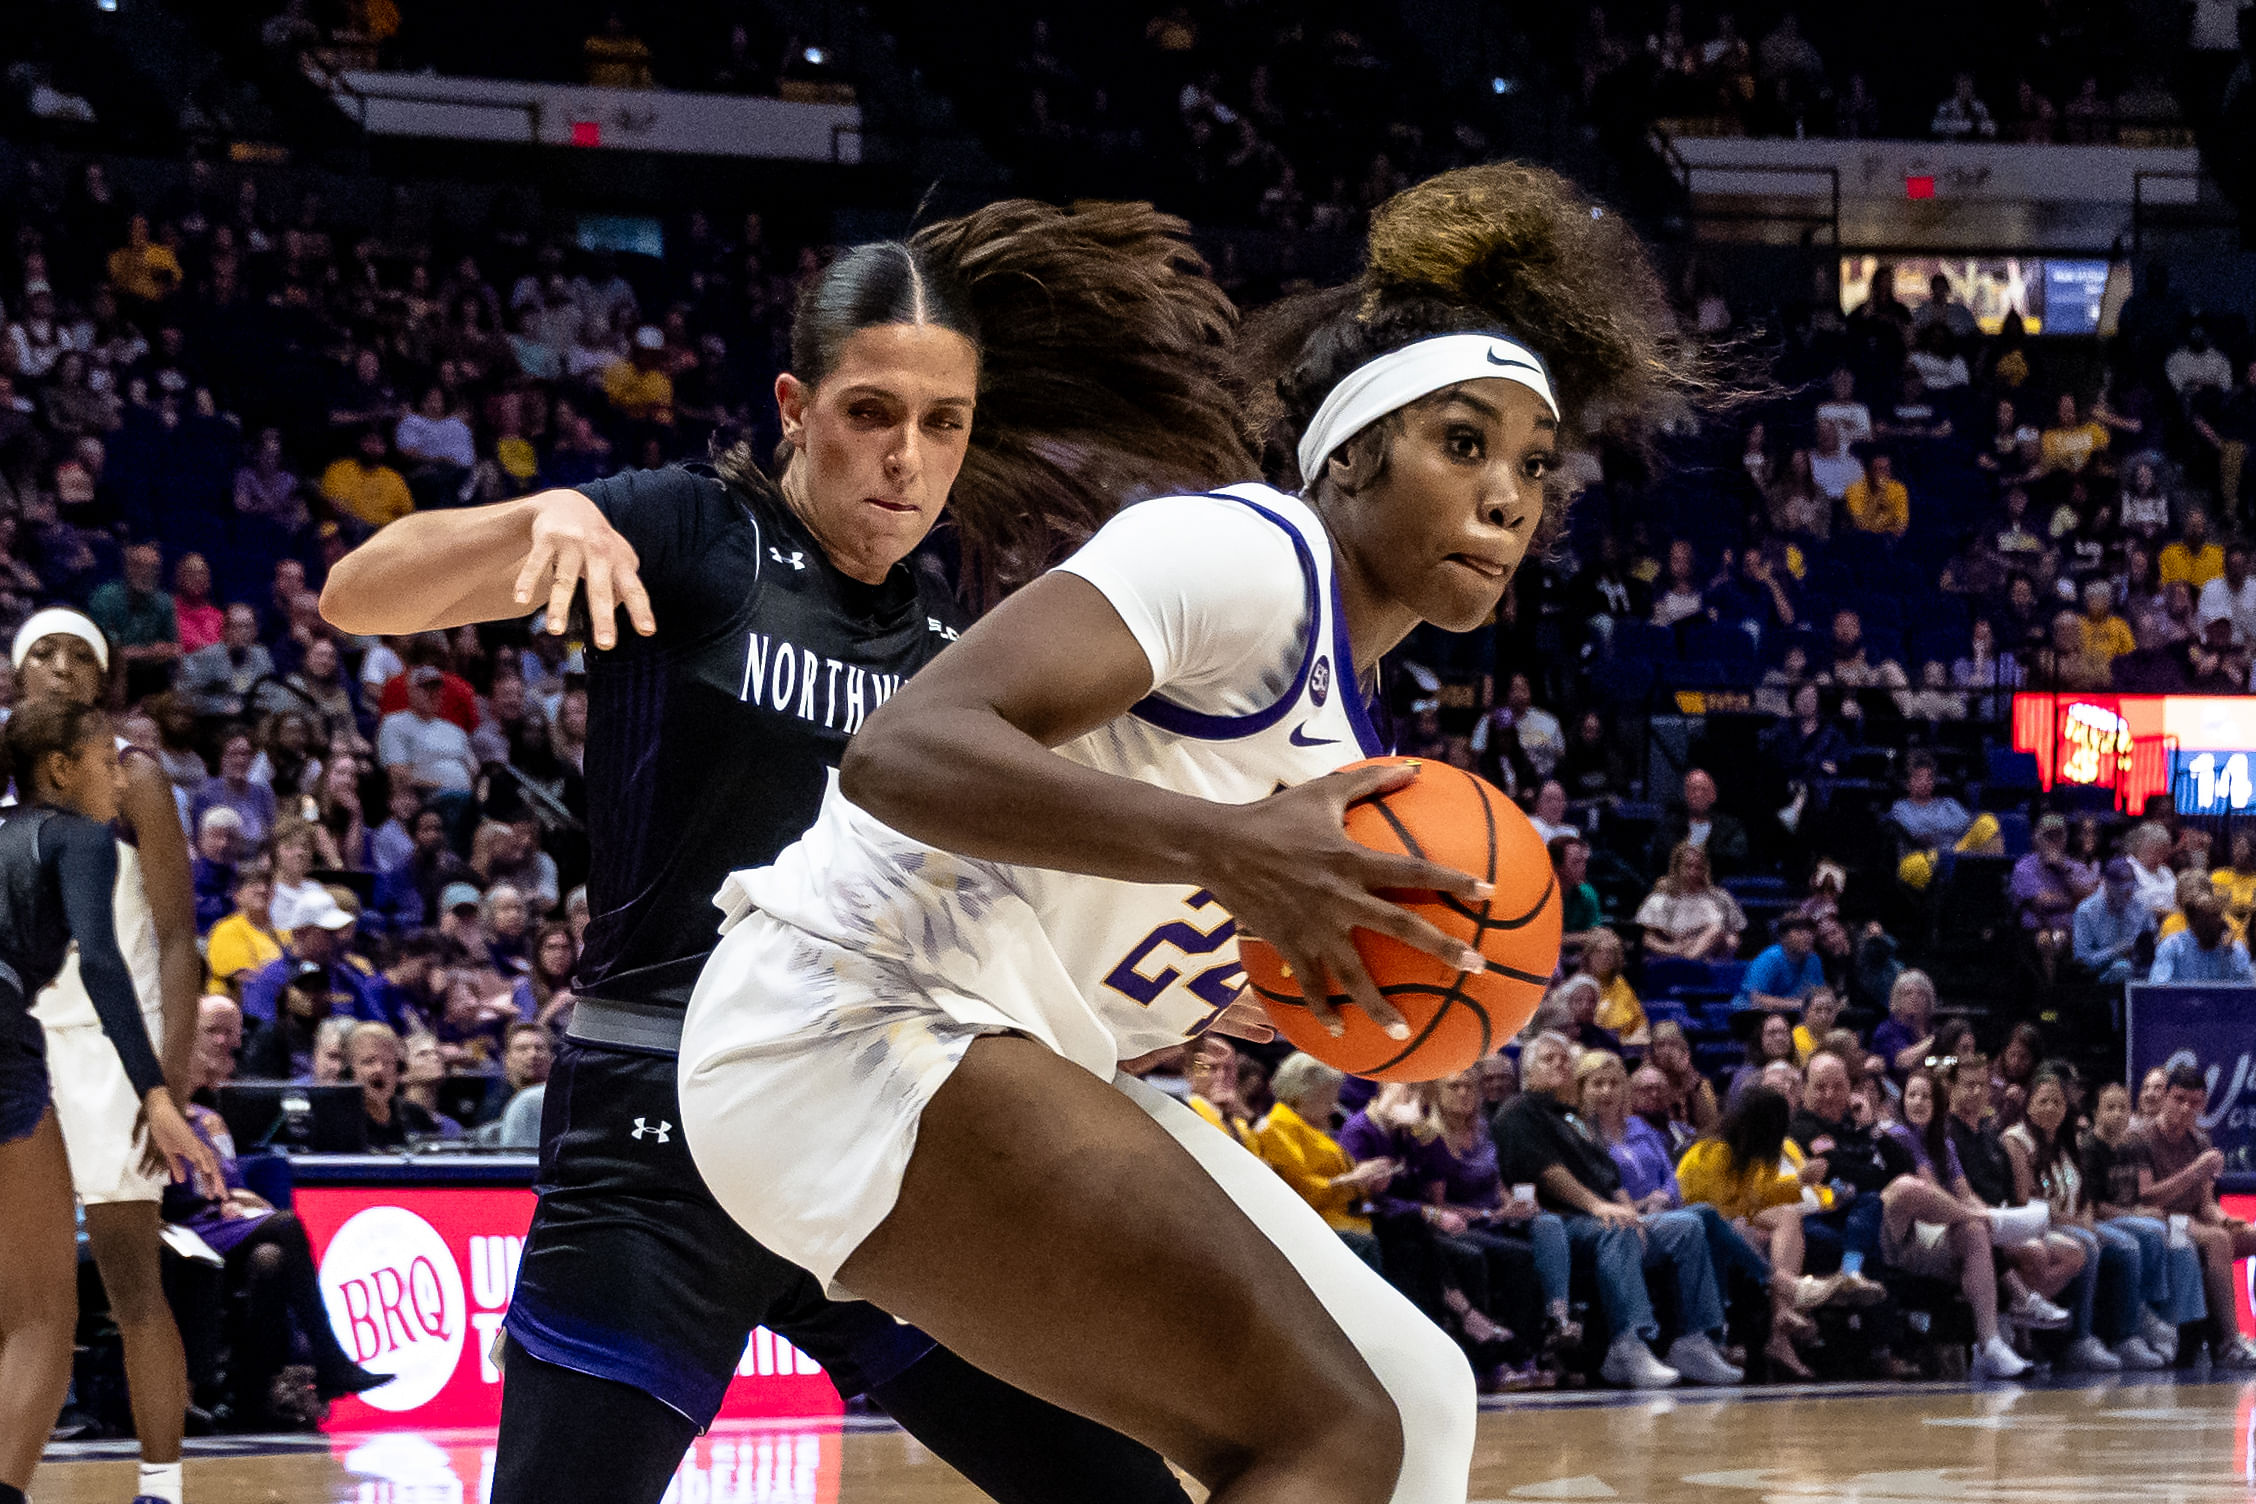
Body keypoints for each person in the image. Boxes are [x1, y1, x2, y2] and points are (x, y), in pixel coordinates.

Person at [672, 163, 1702, 1489]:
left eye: (1534, 467)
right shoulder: (1248, 556)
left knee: (1419, 1395)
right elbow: (903, 753)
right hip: (845, 1016)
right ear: (1351, 455)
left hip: (989, 1045)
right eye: (1463, 443)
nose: (1510, 496)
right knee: (1331, 1430)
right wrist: (1225, 855)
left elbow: (1109, 951)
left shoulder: (1354, 748)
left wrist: (1253, 1003)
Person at [323, 201, 1255, 1504]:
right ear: (796, 407)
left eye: (945, 424)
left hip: (873, 1144)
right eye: (871, 411)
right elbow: (359, 592)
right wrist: (542, 520)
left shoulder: (953, 641)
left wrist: (1205, 962)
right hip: (661, 1145)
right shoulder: (693, 531)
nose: (907, 458)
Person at [0, 697, 219, 1504]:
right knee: (41, 1321)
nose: (117, 781)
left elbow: (163, 940)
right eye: (101, 763)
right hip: (29, 1040)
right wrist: (157, 1091)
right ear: (61, 765)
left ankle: (160, 1480)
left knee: (88, 1295)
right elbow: (102, 965)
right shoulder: (82, 839)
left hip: (59, 1051)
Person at [1496, 1033, 1740, 1387]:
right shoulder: (1518, 1111)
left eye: (1565, 1059)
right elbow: (1550, 1173)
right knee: (1616, 1228)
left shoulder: (1572, 1117)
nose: (1561, 1064)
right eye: (1550, 1059)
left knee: (1687, 1225)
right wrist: (1601, 1207)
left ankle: (1693, 1339)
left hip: (1598, 1215)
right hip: (1559, 1223)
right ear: (1528, 1070)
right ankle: (1627, 1343)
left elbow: (1608, 1177)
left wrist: (1630, 1212)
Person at [1675, 1085, 1861, 1379]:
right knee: (1750, 1225)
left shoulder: (1749, 1158)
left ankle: (1781, 1319)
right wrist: (1793, 1184)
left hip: (1733, 1220)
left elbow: (1760, 1197)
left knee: (1787, 1216)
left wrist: (1806, 1184)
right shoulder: (1710, 1151)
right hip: (1701, 1227)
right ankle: (1789, 1292)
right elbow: (1718, 1208)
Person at [1880, 1067, 2038, 1380]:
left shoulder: (1945, 1144)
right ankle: (2019, 1301)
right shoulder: (1897, 1136)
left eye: (1926, 1096)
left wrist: (1987, 1217)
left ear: (1938, 1104)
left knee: (1976, 1231)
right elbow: (1928, 1191)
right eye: (1912, 1095)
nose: (1919, 1102)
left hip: (1941, 1226)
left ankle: (1990, 1343)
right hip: (1900, 1228)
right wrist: (1984, 1216)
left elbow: (1964, 1192)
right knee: (1936, 1201)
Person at [2002, 1070, 2135, 1371]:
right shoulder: (2017, 1140)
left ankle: (2128, 1335)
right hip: (2035, 1225)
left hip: (2072, 1223)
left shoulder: (2066, 1143)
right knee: (2087, 1243)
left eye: (2058, 1102)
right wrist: (2079, 1226)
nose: (2051, 1108)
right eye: (2044, 1101)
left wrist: (2084, 1220)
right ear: (2029, 1105)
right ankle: (2079, 1339)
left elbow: (2084, 1195)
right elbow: (2026, 1201)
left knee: (2126, 1246)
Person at [2128, 1063, 2256, 1366]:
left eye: (2194, 1102)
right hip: (2158, 1220)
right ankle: (2227, 1342)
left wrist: (2226, 1219)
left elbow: (2206, 1205)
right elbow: (2146, 1195)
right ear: (2166, 1097)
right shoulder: (2140, 1138)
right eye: (2179, 1099)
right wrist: (2193, 1171)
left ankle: (2231, 1336)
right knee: (2217, 1241)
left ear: (2203, 1105)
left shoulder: (2200, 1141)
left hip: (2193, 1221)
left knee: (2247, 1235)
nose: (2186, 1108)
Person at [2082, 1080, 2204, 1364]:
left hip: (2129, 1217)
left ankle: (2175, 1330)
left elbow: (2140, 1195)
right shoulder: (2090, 1149)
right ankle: (2142, 1318)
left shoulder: (2133, 1145)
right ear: (2096, 1113)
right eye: (2109, 1107)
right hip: (2105, 1220)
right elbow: (2095, 1207)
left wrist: (2143, 1211)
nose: (2117, 1113)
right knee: (2150, 1233)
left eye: (2122, 1107)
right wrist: (2136, 1215)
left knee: (2182, 1243)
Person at [1252, 1054, 1390, 1270]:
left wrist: (1366, 1181)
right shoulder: (1276, 1128)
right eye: (1327, 1098)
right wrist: (1349, 1180)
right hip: (1313, 1224)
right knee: (1370, 1242)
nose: (1334, 1106)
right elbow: (1297, 1189)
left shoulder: (1315, 1128)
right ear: (1302, 1095)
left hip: (1347, 1217)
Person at [1635, 842, 1747, 960]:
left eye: (1698, 867)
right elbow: (1645, 937)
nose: (1693, 872)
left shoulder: (1720, 897)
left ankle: (1688, 960)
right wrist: (1672, 949)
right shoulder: (1661, 899)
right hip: (1667, 957)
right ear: (1677, 868)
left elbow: (1734, 937)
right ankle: (1685, 961)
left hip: (1710, 961)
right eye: (1688, 866)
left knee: (1720, 931)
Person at [1646, 767, 1749, 878]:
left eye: (1703, 789)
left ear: (1713, 795)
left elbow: (1735, 858)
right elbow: (1663, 855)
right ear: (1685, 794)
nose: (1698, 795)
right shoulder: (1670, 826)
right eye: (1693, 789)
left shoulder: (1731, 828)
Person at [2074, 858, 2156, 985]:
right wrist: (2118, 950)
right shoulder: (2086, 911)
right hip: (2102, 975)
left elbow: (2152, 940)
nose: (2128, 895)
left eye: (2131, 888)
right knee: (2122, 968)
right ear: (2107, 884)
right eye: (2122, 889)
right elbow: (2083, 960)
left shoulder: (2140, 907)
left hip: (2140, 967)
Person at [2149, 890, 2254, 982]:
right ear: (2193, 920)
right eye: (2210, 917)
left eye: (2218, 915)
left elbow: (2247, 989)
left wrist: (2230, 955)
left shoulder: (2236, 949)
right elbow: (2158, 988)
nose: (2219, 922)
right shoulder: (2172, 946)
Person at [1738, 913, 1825, 1011]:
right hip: (1754, 1014)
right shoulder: (1769, 958)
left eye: (1810, 931)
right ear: (1783, 936)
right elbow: (1756, 999)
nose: (1807, 936)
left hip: (1794, 1016)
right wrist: (1799, 1004)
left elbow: (1819, 993)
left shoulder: (1814, 960)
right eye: (1799, 931)